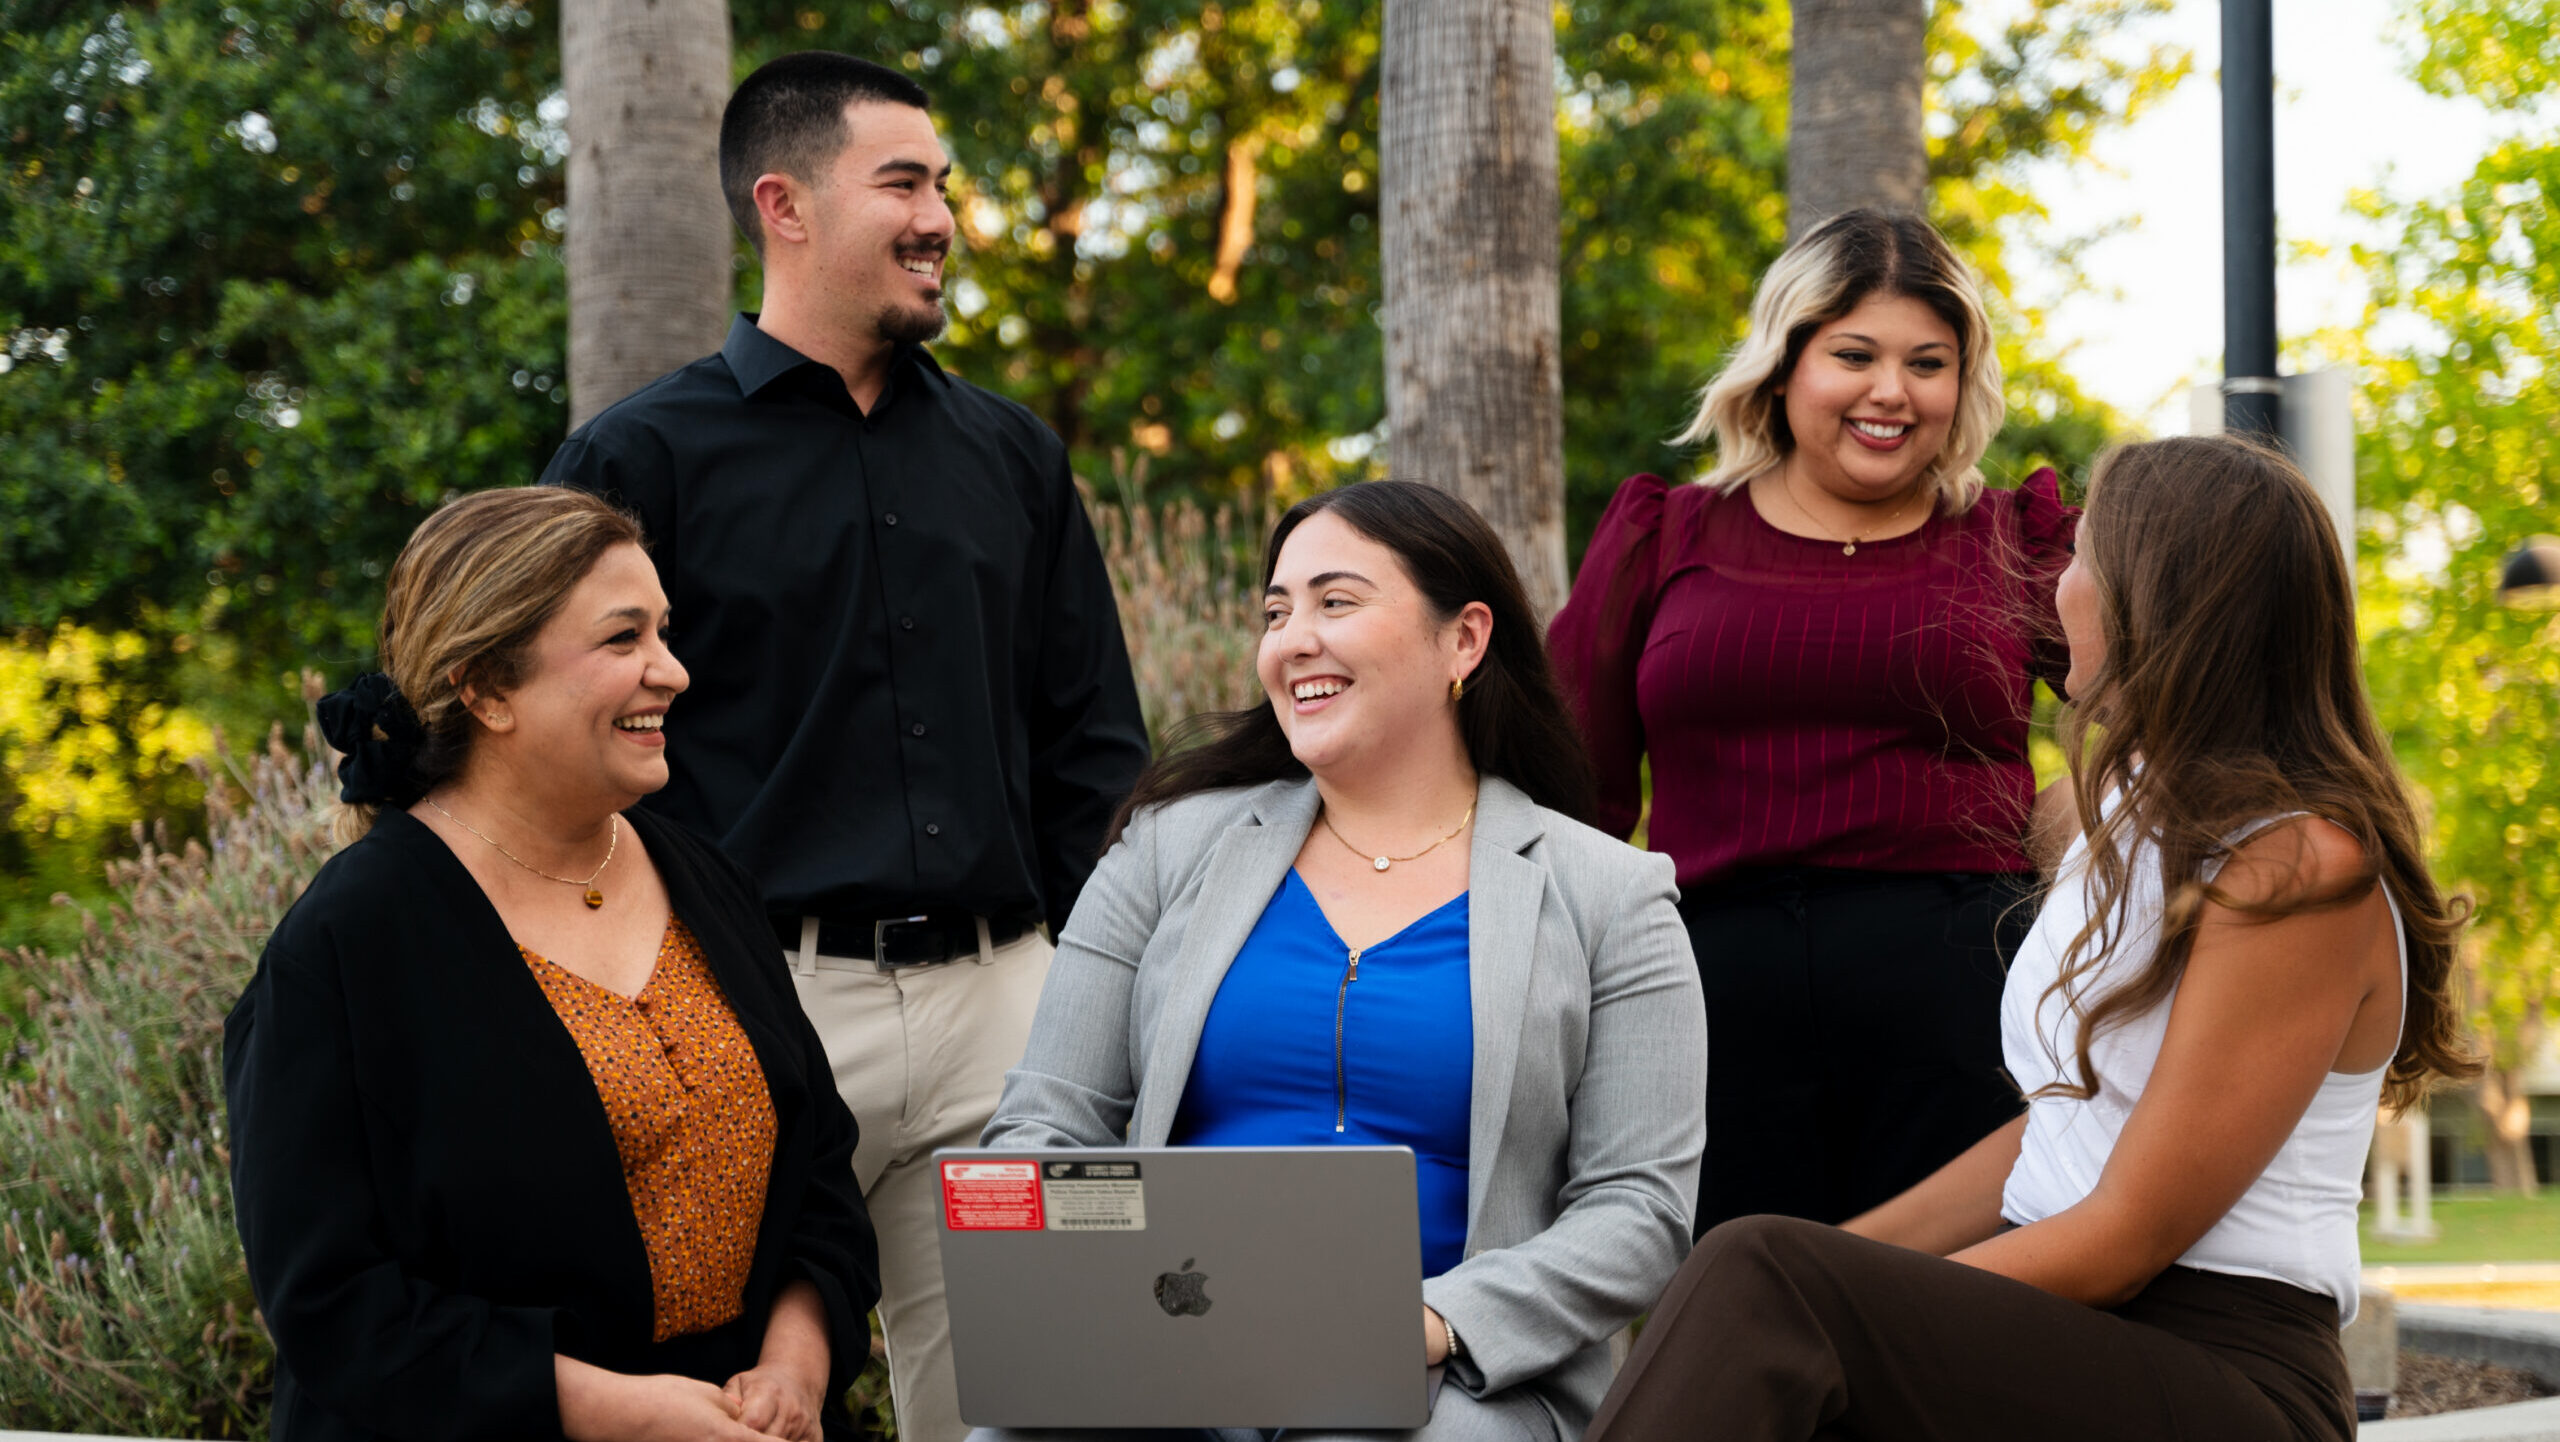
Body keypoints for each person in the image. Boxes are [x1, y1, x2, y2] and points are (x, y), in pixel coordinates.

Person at [1581, 435, 2479, 1442]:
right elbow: (2053, 1128)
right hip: (2066, 1326)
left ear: (2161, 604)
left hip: (2226, 1366)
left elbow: (2124, 1238)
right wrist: (1818, 1270)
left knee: (1768, 1286)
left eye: (2085, 560)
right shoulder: (2117, 818)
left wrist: (1834, 1309)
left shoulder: (2300, 866)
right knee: (1750, 1268)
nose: (2056, 589)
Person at [539, 51, 1150, 1442]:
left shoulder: (1014, 458)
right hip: (748, 1011)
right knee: (739, 1407)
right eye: (905, 182)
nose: (941, 215)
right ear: (786, 206)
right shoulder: (638, 461)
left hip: (1007, 1016)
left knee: (1033, 1409)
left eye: (942, 184)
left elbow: (1093, 753)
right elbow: (564, 758)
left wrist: (1091, 997)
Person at [977, 481, 1707, 1442]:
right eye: (1276, 613)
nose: (1292, 640)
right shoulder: (1162, 850)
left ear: (1465, 640)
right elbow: (1044, 1126)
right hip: (1169, 1355)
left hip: (1453, 1384)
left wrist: (1435, 1324)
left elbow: (1640, 1209)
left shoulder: (1613, 896)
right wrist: (1097, 1293)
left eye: (1336, 601)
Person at [225, 487, 880, 1442]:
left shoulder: (705, 879)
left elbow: (817, 1168)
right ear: (487, 686)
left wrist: (794, 1362)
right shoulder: (347, 945)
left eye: (664, 632)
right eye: (624, 640)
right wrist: (625, 1414)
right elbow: (334, 1306)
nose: (673, 672)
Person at [1546, 207, 2078, 1235]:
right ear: (1782, 365)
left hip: (1958, 1002)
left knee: (1931, 1339)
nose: (1892, 390)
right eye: (1854, 354)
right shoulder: (1664, 533)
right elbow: (1579, 790)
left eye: (1928, 361)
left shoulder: (2012, 537)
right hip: (1707, 1006)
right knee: (1736, 1322)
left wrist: (2083, 813)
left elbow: (2165, 698)